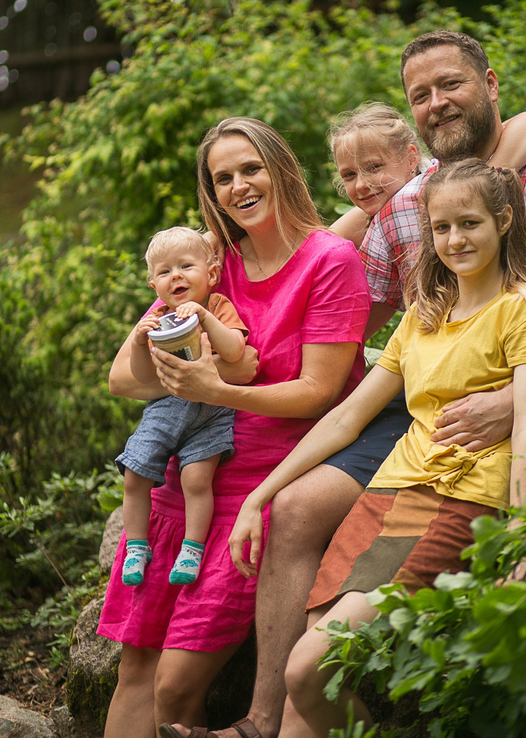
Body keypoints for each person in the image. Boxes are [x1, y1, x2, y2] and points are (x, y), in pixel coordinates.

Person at [181, 32, 526, 738]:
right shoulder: (411, 221)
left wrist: (513, 404)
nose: (437, 102)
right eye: (421, 94)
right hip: (417, 453)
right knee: (305, 589)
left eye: (452, 84)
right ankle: (265, 719)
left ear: (491, 85)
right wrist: (218, 298)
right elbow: (346, 319)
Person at [98, 118, 372, 738]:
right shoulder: (211, 262)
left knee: (173, 686)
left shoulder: (329, 261)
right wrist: (191, 373)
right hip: (182, 487)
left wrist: (218, 389)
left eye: (251, 169)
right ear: (211, 193)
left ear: (283, 169)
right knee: (135, 670)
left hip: (259, 487)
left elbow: (319, 393)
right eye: (223, 178)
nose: (240, 186)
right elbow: (124, 379)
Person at [116, 226, 248, 587]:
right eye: (164, 271)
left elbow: (235, 351)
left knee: (196, 479)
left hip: (213, 410)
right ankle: (136, 547)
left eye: (186, 266)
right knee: (134, 474)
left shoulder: (217, 306)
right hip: (165, 410)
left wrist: (204, 317)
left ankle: (192, 549)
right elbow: (143, 377)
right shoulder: (158, 320)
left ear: (212, 274)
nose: (176, 276)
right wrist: (140, 342)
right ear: (153, 286)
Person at [329, 99, 526, 249]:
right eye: (349, 175)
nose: (361, 185)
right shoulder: (377, 210)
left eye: (374, 167)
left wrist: (481, 184)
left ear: (411, 159)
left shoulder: (445, 175)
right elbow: (322, 244)